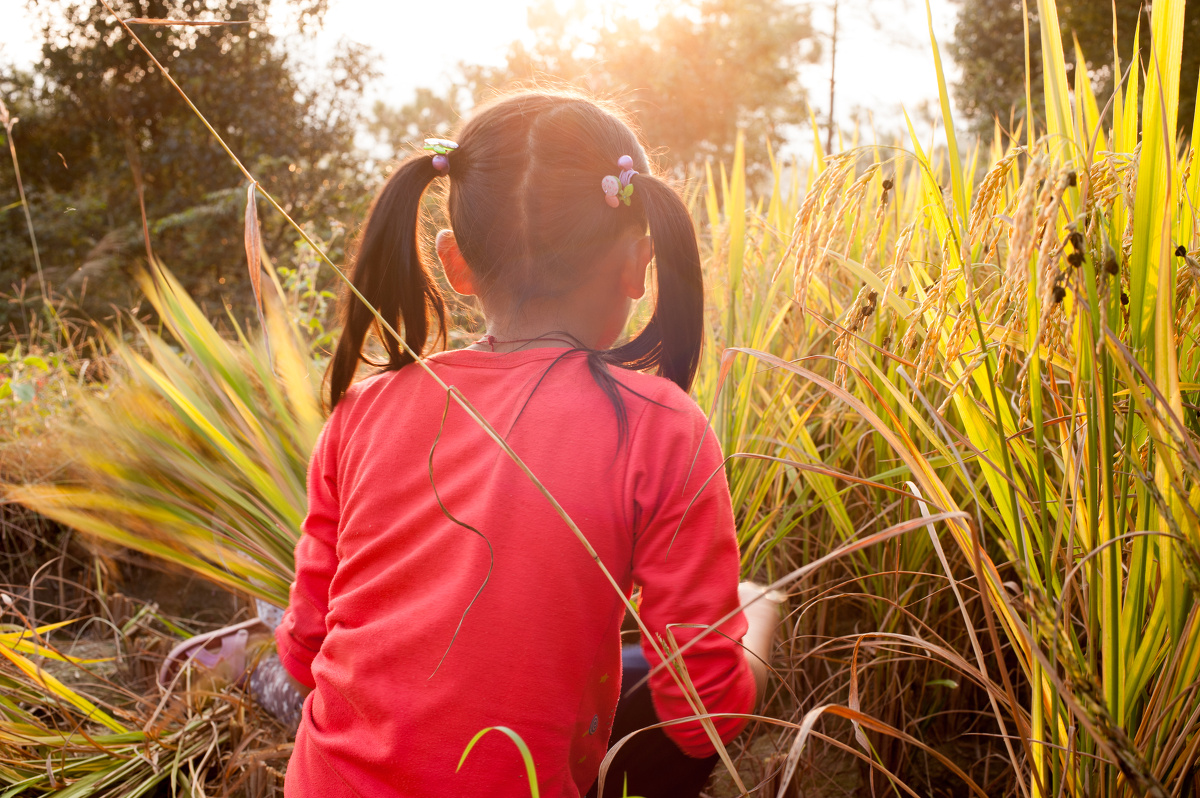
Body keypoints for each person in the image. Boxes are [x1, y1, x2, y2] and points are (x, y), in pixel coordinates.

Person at [161, 90, 782, 798]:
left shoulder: (364, 408)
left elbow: (304, 655)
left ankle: (235, 658)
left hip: (321, 784)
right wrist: (760, 615)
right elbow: (703, 712)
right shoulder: (660, 425)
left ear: (455, 266)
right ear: (639, 264)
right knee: (675, 660)